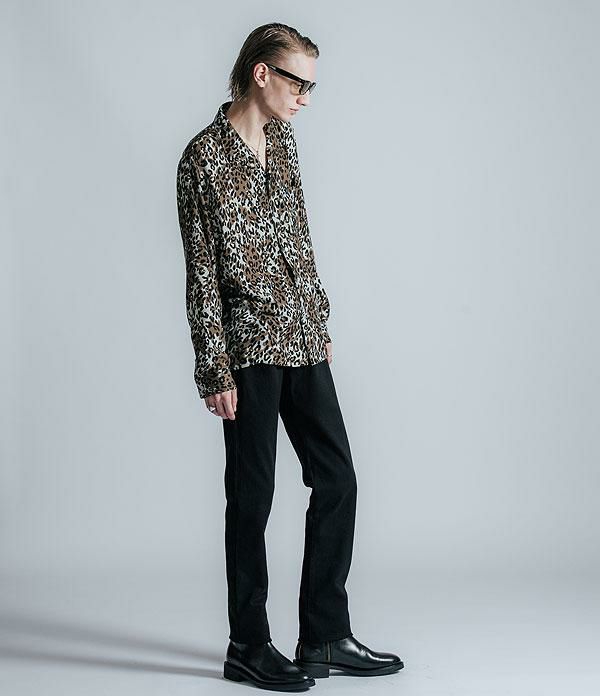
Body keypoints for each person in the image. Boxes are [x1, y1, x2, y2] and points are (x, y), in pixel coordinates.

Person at [176, 22, 404, 692]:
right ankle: (248, 643)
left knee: (338, 479)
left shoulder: (283, 142)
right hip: (247, 347)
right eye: (298, 82)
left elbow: (299, 238)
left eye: (311, 85)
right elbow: (201, 273)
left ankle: (325, 636)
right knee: (252, 497)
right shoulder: (202, 159)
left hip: (301, 337)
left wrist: (317, 315)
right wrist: (213, 367)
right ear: (262, 73)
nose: (306, 97)